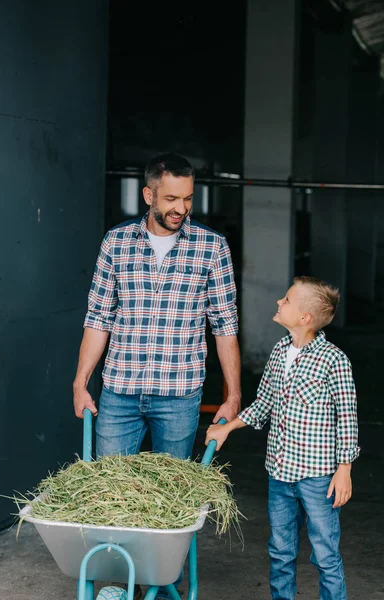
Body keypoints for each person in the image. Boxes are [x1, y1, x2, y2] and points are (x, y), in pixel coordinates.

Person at [73, 152, 241, 599]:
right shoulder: (116, 244)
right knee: (111, 495)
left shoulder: (211, 247)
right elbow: (98, 318)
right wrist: (80, 381)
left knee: (172, 503)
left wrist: (232, 395)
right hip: (119, 393)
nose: (180, 208)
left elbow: (225, 328)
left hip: (179, 394)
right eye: (170, 198)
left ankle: (164, 586)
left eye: (187, 198)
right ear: (148, 194)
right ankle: (120, 584)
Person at [205, 276, 360, 600]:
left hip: (319, 478)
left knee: (325, 556)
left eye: (287, 300)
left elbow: (346, 417)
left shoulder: (334, 361)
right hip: (280, 475)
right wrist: (227, 427)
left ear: (305, 318)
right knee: (280, 552)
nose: (279, 302)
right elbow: (263, 405)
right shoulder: (278, 351)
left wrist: (344, 468)